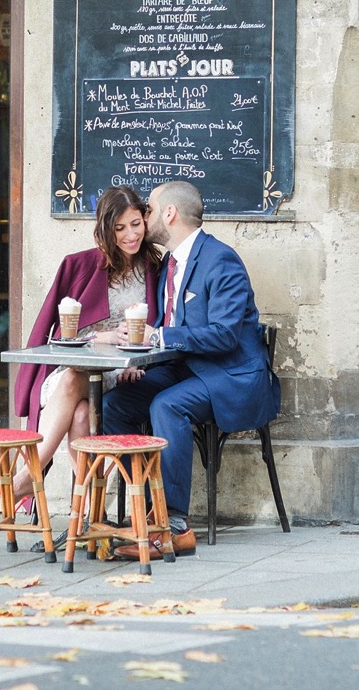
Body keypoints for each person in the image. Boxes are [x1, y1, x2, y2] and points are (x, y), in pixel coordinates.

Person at [102, 180, 280, 558]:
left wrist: (160, 337)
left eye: (148, 209)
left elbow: (225, 335)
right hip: (189, 369)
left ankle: (174, 526)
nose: (143, 216)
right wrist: (140, 359)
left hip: (230, 376)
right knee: (117, 403)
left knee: (166, 405)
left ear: (170, 213)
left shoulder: (221, 259)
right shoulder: (170, 262)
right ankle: (145, 507)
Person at [11, 185, 161, 503]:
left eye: (136, 224)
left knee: (80, 405)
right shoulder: (81, 265)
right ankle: (85, 517)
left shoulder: (155, 268)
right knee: (76, 398)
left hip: (123, 373)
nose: (130, 235)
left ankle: (32, 476)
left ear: (145, 219)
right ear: (106, 230)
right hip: (80, 368)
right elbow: (56, 336)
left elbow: (163, 327)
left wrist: (139, 363)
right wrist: (100, 336)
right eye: (119, 228)